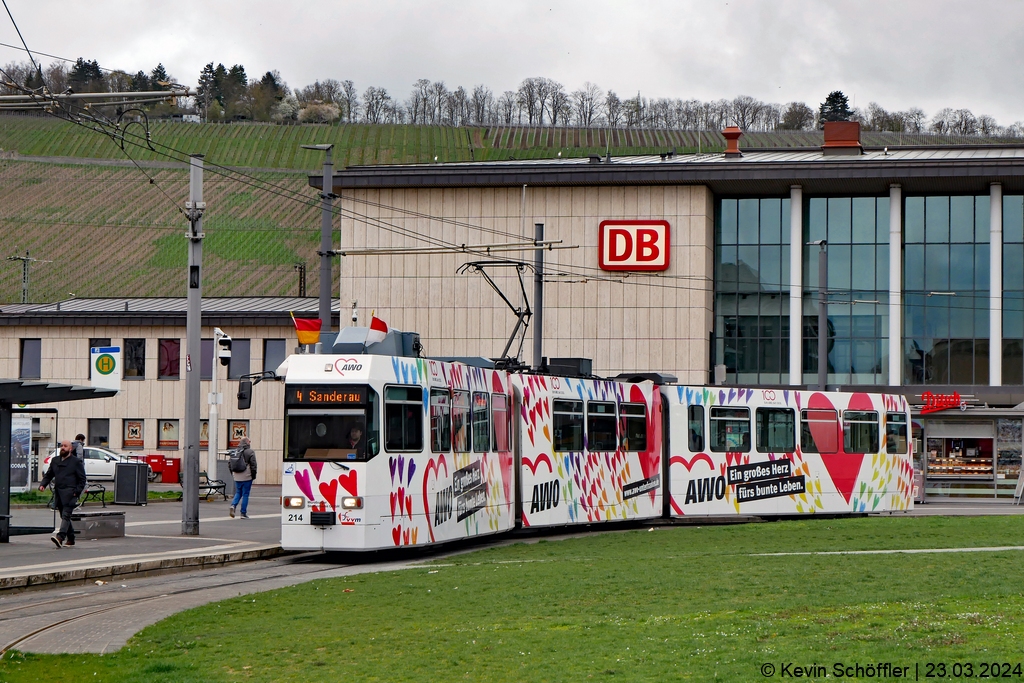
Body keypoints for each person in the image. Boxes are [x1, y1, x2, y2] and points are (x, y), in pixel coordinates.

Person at [39, 439, 87, 548]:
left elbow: (82, 479)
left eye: (65, 446)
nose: (63, 448)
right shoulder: (55, 460)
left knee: (66, 515)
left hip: (70, 493)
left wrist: (76, 492)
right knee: (63, 515)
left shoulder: (76, 462)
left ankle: (60, 537)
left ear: (70, 449)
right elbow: (49, 474)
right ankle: (71, 538)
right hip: (59, 492)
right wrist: (43, 484)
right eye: (61, 446)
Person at [230, 437, 257, 519]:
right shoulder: (250, 452)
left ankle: (233, 505)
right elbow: (253, 465)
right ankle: (243, 513)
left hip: (237, 475)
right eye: (249, 441)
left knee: (238, 492)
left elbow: (229, 463)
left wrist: (233, 474)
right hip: (246, 476)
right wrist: (253, 475)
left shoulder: (235, 451)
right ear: (247, 442)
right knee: (245, 494)